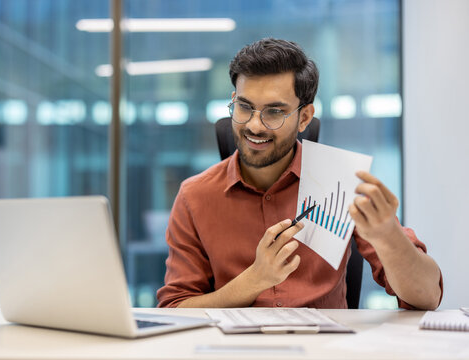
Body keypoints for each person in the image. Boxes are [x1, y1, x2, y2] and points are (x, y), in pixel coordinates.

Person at [156, 38, 442, 310]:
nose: (254, 125)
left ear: (304, 118)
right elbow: (175, 308)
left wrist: (389, 237)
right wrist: (254, 281)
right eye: (245, 107)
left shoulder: (340, 182)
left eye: (274, 112)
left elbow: (427, 297)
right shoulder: (195, 196)